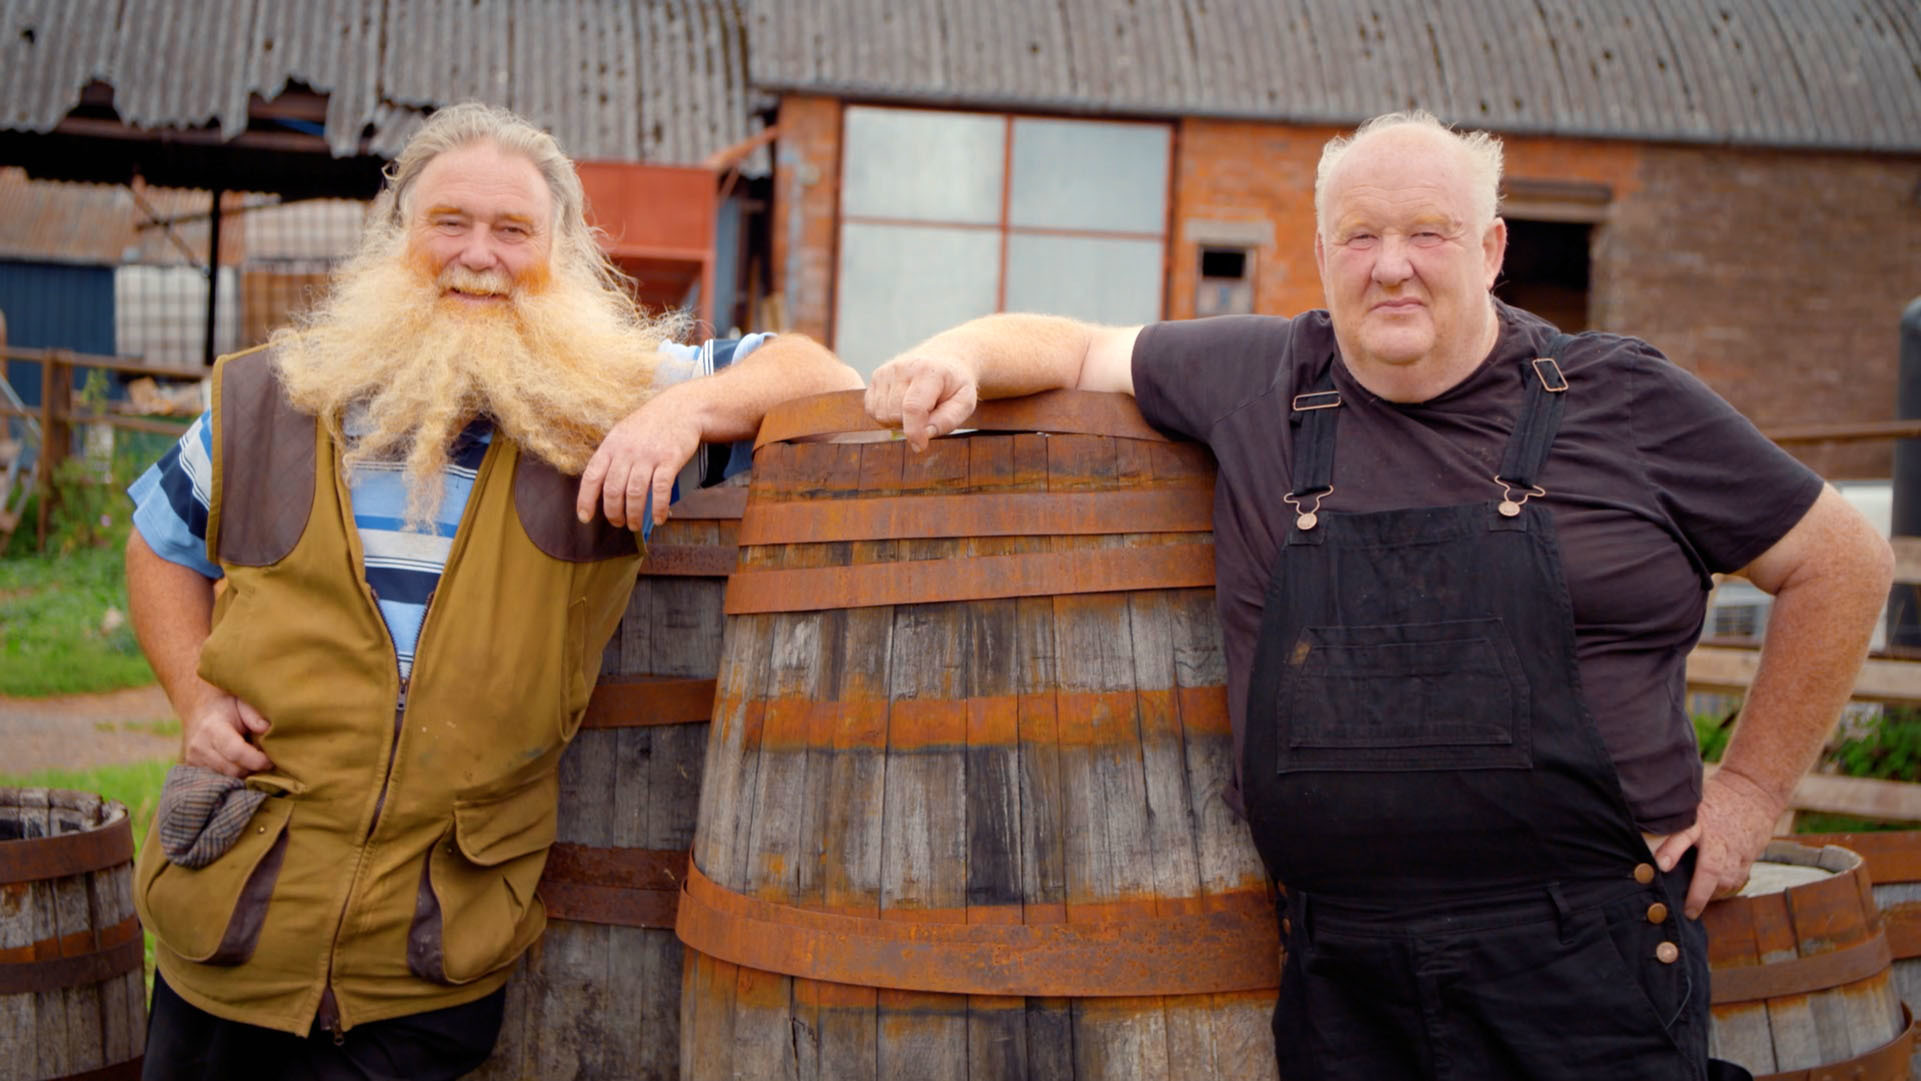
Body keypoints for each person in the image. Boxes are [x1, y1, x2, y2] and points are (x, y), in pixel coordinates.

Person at [864, 111, 1892, 1080]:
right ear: (1321, 257)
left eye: (1426, 234)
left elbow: (1841, 562)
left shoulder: (1624, 401)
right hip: (1341, 977)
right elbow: (1080, 344)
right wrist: (953, 354)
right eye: (1358, 236)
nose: (1390, 264)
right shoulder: (1262, 377)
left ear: (1490, 250)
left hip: (1586, 971)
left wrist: (1752, 791)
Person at [123, 102, 860, 1080]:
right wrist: (191, 693)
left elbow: (820, 371)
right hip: (235, 928)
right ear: (397, 238)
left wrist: (684, 410)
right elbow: (158, 538)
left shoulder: (603, 396)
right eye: (450, 222)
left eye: (514, 230)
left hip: (431, 954)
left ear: (563, 254)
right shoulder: (271, 395)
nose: (481, 255)